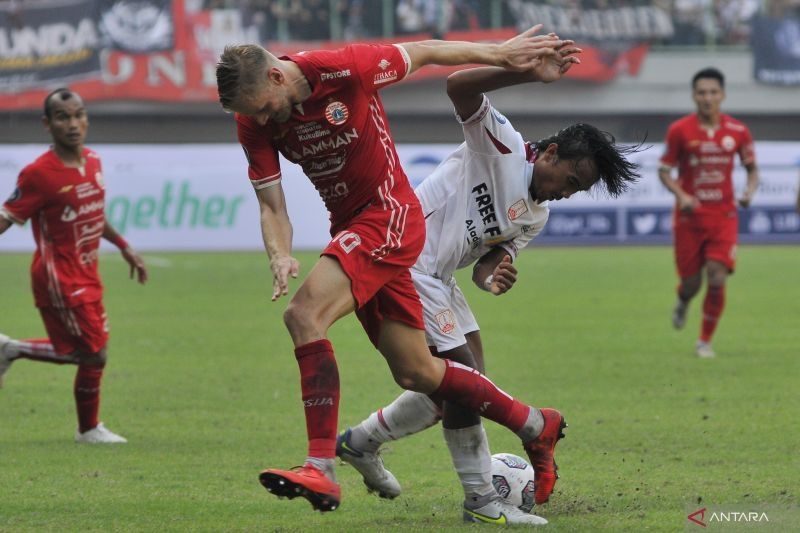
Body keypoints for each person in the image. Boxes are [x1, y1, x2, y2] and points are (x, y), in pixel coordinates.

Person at [216, 26, 575, 519]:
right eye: (249, 113)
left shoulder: (345, 67)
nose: (259, 119)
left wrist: (505, 56)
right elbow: (271, 205)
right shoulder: (252, 122)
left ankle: (320, 464)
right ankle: (536, 425)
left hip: (388, 215)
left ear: (277, 75)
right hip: (354, 227)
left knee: (303, 316)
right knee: (420, 372)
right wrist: (278, 253)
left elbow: (426, 51)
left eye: (262, 106)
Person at [336, 59, 641, 523]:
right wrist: (525, 71)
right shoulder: (501, 146)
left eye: (580, 191)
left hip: (440, 276)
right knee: (464, 383)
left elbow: (487, 265)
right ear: (551, 153)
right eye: (572, 181)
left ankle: (361, 441)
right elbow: (457, 84)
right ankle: (481, 500)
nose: (568, 193)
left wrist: (494, 277)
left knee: (467, 380)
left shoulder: (537, 216)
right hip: (407, 257)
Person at [0, 88, 148, 443]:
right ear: (47, 124)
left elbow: (94, 215)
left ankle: (11, 349)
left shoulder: (93, 161)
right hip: (59, 279)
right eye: (63, 117)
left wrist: (125, 246)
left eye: (79, 115)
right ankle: (88, 429)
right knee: (94, 353)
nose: (73, 123)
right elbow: (7, 215)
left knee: (90, 352)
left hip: (88, 273)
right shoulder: (38, 174)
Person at [659, 68, 759, 358]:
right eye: (702, 92)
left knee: (717, 277)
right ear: (694, 96)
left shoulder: (738, 131)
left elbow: (752, 170)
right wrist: (682, 195)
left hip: (723, 217)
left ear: (722, 95)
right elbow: (664, 171)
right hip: (689, 219)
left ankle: (704, 340)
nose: (707, 98)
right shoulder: (680, 130)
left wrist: (749, 192)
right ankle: (683, 300)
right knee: (692, 284)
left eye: (713, 92)